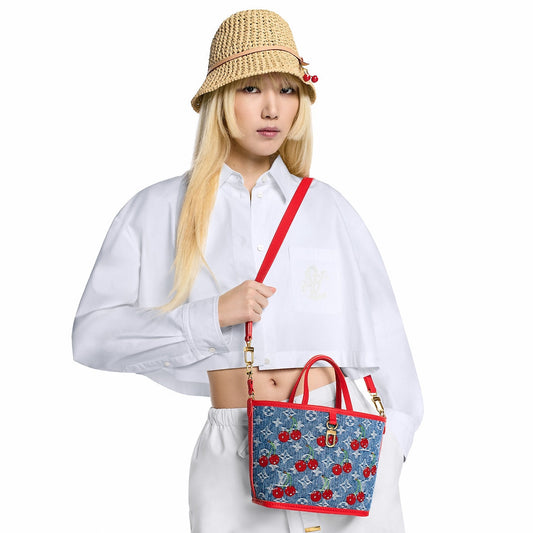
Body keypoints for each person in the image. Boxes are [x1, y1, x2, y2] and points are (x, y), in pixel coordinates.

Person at [72, 9, 423, 533]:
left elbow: (388, 339)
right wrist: (211, 315)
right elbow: (92, 336)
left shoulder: (328, 209)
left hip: (341, 442)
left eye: (287, 90)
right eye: (251, 88)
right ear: (220, 99)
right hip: (232, 448)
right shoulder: (158, 210)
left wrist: (392, 447)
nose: (272, 108)